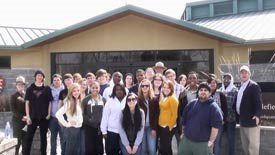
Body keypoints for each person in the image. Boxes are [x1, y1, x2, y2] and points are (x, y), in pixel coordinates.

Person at [178, 82, 223, 155]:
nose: (203, 92)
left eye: (205, 90)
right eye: (201, 90)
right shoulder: (191, 103)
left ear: (209, 93)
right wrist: (183, 133)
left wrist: (211, 141)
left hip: (203, 144)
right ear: (198, 93)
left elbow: (215, 127)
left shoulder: (214, 107)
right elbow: (184, 120)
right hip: (186, 141)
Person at [24, 70, 52, 155]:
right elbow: (27, 103)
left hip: (44, 117)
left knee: (44, 138)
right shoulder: (30, 89)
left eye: (41, 75)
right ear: (35, 77)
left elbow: (50, 102)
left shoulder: (47, 89)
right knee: (29, 137)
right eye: (38, 75)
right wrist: (28, 117)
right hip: (32, 117)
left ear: (43, 77)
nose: (39, 77)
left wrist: (49, 114)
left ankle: (44, 153)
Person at [235, 65, 262, 155]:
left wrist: (257, 115)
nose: (244, 74)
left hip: (251, 121)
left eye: (246, 72)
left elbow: (258, 102)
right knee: (245, 146)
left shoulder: (254, 86)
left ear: (249, 74)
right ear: (240, 75)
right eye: (242, 73)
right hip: (242, 121)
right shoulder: (241, 87)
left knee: (253, 148)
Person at [56, 83, 83, 155]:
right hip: (72, 130)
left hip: (78, 129)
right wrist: (67, 124)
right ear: (71, 92)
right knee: (70, 151)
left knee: (76, 151)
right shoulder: (69, 102)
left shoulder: (79, 101)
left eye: (78, 90)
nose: (76, 92)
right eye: (74, 91)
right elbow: (58, 114)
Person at [100, 83, 127, 155]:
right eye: (117, 89)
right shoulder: (110, 101)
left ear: (124, 90)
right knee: (111, 152)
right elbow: (105, 116)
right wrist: (104, 131)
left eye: (121, 89)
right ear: (114, 91)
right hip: (112, 131)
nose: (119, 91)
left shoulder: (128, 100)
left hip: (125, 131)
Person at [82, 81, 105, 155]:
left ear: (99, 88)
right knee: (90, 146)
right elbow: (82, 113)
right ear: (90, 88)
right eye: (93, 88)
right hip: (89, 126)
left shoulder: (103, 99)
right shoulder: (86, 100)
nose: (95, 89)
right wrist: (89, 120)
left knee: (99, 146)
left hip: (99, 127)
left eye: (97, 87)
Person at [137, 79, 159, 155]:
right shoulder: (137, 100)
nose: (144, 87)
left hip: (151, 127)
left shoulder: (154, 99)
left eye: (147, 86)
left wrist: (154, 128)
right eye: (143, 86)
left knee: (152, 149)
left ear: (150, 87)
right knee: (143, 150)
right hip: (141, 128)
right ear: (140, 87)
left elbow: (157, 115)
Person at [208, 76, 228, 155]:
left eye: (214, 83)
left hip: (218, 124)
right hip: (207, 124)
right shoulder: (205, 93)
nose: (212, 84)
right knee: (208, 143)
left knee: (216, 143)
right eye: (210, 82)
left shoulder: (220, 94)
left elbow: (225, 109)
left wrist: (223, 121)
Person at [158, 80, 178, 155]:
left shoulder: (173, 98)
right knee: (164, 147)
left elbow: (175, 114)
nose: (166, 89)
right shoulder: (165, 97)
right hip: (162, 125)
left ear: (171, 88)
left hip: (168, 126)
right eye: (164, 87)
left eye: (168, 88)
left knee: (166, 148)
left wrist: (170, 126)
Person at [220, 73, 238, 155]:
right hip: (221, 120)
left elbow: (232, 106)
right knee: (218, 139)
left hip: (231, 119)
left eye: (228, 78)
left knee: (231, 140)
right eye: (225, 78)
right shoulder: (220, 90)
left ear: (231, 80)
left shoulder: (234, 90)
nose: (226, 80)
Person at [10, 76, 27, 155]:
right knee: (17, 141)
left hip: (26, 121)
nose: (20, 86)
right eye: (19, 84)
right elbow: (13, 110)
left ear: (24, 85)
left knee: (25, 141)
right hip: (17, 122)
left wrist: (27, 117)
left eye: (22, 84)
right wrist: (22, 117)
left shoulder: (27, 95)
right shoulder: (13, 96)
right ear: (16, 85)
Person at [58, 73, 74, 155]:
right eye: (66, 80)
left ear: (72, 80)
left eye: (69, 79)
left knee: (73, 140)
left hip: (74, 119)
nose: (68, 81)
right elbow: (59, 105)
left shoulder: (76, 90)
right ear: (64, 82)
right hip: (64, 119)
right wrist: (59, 119)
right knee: (64, 139)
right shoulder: (62, 92)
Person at [49, 74, 64, 155]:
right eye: (54, 80)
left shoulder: (65, 89)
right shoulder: (49, 90)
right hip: (53, 117)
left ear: (61, 81)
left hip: (62, 118)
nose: (56, 81)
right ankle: (53, 153)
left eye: (58, 80)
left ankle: (63, 152)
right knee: (53, 138)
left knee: (63, 137)